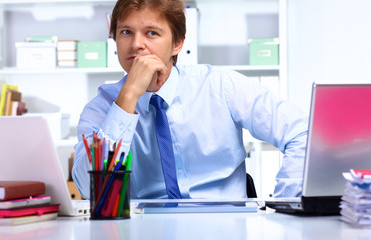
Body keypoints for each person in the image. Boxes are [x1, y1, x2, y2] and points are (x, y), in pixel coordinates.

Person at [72, 0, 308, 200]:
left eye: (151, 33)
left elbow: (302, 134)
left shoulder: (221, 86)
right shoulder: (101, 107)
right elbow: (89, 189)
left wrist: (284, 204)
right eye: (126, 32)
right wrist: (128, 98)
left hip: (223, 227)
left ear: (177, 44)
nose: (136, 44)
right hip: (143, 230)